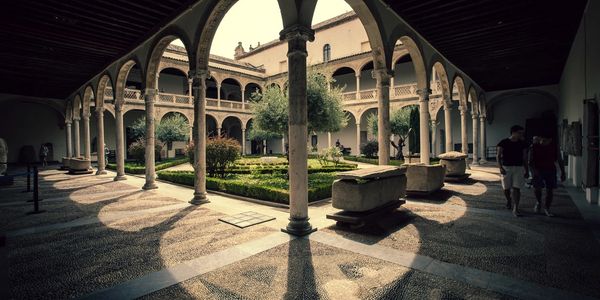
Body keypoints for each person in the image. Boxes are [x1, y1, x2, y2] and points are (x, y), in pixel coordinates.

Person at [529, 135, 566, 217]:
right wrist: (534, 172)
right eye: (542, 139)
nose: (543, 142)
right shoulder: (534, 146)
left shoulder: (554, 147)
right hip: (538, 170)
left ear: (550, 140)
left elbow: (559, 159)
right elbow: (530, 161)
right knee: (537, 188)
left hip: (550, 170)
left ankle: (547, 208)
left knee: (550, 190)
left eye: (545, 140)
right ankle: (539, 202)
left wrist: (563, 172)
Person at [497, 125, 529, 217]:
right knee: (506, 188)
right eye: (519, 133)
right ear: (513, 132)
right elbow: (498, 156)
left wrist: (526, 170)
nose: (521, 135)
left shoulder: (523, 143)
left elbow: (525, 158)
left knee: (516, 188)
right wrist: (500, 168)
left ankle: (516, 207)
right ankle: (509, 200)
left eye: (522, 133)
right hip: (506, 168)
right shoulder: (503, 142)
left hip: (519, 168)